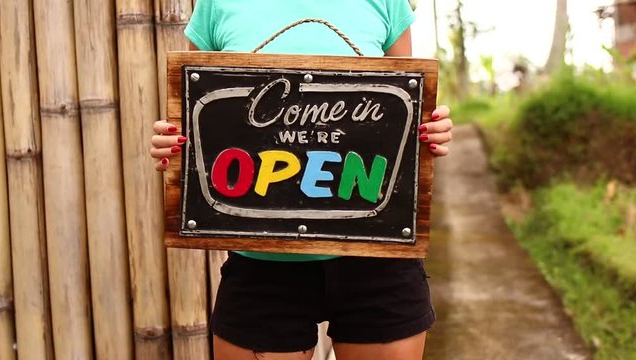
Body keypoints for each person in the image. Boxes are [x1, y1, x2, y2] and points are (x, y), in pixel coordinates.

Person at [151, 1, 453, 359]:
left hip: (378, 257)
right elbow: (195, 105)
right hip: (261, 264)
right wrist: (174, 142)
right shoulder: (217, 4)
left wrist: (431, 130)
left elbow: (404, 103)